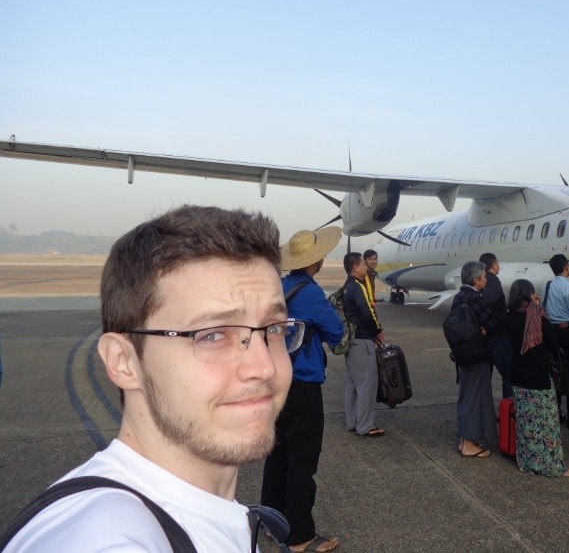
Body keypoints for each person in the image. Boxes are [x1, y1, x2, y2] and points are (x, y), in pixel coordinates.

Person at [4, 205, 298, 550]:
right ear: (124, 361)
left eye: (274, 329)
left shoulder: (185, 510)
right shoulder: (107, 539)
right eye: (213, 335)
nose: (265, 367)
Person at [260, 228, 344, 553]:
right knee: (303, 459)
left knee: (277, 454)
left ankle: (271, 522)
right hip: (303, 383)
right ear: (317, 260)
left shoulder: (278, 287)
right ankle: (300, 537)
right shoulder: (310, 293)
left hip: (274, 381)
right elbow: (336, 333)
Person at [507, 279, 569, 477]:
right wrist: (537, 307)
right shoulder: (537, 316)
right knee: (546, 423)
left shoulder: (508, 316)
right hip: (538, 376)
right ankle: (551, 466)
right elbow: (553, 343)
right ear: (529, 294)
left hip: (518, 375)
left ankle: (528, 462)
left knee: (526, 423)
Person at [452, 261, 498, 458]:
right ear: (476, 279)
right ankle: (469, 443)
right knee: (475, 397)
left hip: (462, 354)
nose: (486, 280)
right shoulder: (475, 298)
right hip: (477, 354)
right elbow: (492, 323)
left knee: (466, 395)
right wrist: (486, 329)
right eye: (484, 277)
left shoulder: (458, 297)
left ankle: (465, 439)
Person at [342, 252, 386, 437]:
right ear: (355, 268)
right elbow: (367, 312)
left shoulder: (347, 287)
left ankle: (353, 422)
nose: (366, 268)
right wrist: (378, 331)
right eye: (363, 265)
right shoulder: (358, 287)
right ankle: (365, 425)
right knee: (367, 384)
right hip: (362, 340)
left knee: (352, 383)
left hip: (352, 341)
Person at [542, 254, 569, 428]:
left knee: (554, 372)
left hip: (550, 332)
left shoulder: (546, 286)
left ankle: (556, 412)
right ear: (566, 266)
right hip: (567, 333)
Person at [479, 252, 512, 398]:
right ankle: (508, 410)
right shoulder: (492, 280)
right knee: (509, 374)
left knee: (486, 377)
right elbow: (486, 301)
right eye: (498, 263)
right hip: (498, 336)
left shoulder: (482, 280)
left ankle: (486, 411)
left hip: (489, 336)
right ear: (493, 265)